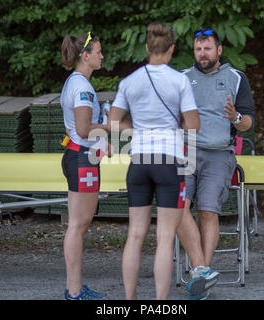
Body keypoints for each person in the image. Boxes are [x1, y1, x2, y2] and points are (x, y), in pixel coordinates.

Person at [108, 23, 200, 300]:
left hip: (138, 162)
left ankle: (130, 299)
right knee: (164, 238)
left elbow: (112, 122)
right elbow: (194, 125)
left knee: (135, 235)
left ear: (147, 48)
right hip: (169, 162)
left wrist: (135, 127)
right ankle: (160, 302)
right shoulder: (179, 81)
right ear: (172, 48)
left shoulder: (129, 81)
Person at [176, 28, 255, 299]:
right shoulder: (183, 79)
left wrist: (235, 117)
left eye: (207, 49)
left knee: (208, 212)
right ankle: (202, 271)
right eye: (198, 49)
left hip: (220, 154)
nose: (202, 54)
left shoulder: (236, 78)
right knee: (177, 208)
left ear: (219, 50)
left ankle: (201, 277)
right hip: (186, 153)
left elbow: (248, 124)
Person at [60, 31, 109, 300]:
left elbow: (80, 130)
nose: (102, 56)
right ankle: (75, 292)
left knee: (78, 225)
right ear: (85, 56)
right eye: (98, 51)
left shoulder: (75, 82)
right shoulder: (81, 86)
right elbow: (83, 128)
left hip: (79, 156)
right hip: (82, 159)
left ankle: (74, 288)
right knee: (78, 226)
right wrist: (109, 126)